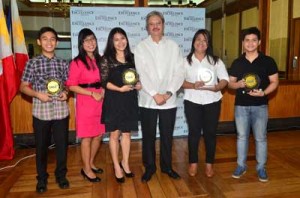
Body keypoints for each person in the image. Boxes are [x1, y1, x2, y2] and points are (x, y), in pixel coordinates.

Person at [134, 10, 185, 182]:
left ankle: (167, 167)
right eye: (152, 24)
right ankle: (149, 167)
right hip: (148, 99)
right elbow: (141, 73)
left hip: (169, 100)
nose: (155, 26)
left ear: (163, 25)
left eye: (158, 23)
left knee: (167, 135)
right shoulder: (141, 47)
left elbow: (180, 72)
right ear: (147, 27)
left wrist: (169, 92)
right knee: (148, 136)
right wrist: (155, 94)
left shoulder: (173, 46)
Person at [20, 27, 70, 193]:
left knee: (62, 146)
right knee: (41, 147)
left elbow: (68, 84)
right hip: (41, 112)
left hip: (61, 111)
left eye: (52, 39)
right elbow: (23, 87)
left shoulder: (63, 63)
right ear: (39, 42)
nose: (49, 42)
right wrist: (37, 94)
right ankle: (41, 179)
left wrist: (66, 93)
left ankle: (61, 176)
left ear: (56, 42)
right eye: (45, 39)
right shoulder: (32, 63)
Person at [228, 27, 279, 182]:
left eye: (254, 40)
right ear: (243, 43)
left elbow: (274, 82)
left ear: (259, 42)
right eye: (247, 40)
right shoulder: (237, 62)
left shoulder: (268, 61)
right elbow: (230, 84)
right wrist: (239, 85)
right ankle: (241, 166)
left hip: (260, 106)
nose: (250, 43)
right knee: (242, 137)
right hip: (241, 106)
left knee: (260, 138)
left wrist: (263, 93)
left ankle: (261, 167)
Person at [182, 29, 229, 177]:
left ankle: (209, 164)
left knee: (210, 134)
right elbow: (178, 82)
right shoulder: (185, 61)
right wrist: (192, 85)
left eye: (204, 40)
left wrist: (218, 87)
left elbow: (224, 80)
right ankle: (193, 163)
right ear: (193, 42)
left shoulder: (216, 61)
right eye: (198, 39)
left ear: (208, 44)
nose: (201, 43)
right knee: (194, 133)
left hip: (212, 101)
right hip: (192, 101)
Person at [100, 27, 141, 183]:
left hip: (129, 100)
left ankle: (125, 162)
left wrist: (138, 84)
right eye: (116, 39)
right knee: (114, 134)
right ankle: (117, 166)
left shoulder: (133, 58)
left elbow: (135, 78)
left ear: (127, 40)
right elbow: (104, 82)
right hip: (114, 100)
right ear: (112, 42)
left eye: (122, 38)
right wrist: (119, 89)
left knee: (127, 133)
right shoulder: (106, 59)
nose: (120, 42)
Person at [66, 28, 105, 183]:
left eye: (93, 39)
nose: (91, 42)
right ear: (81, 44)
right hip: (86, 102)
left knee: (99, 135)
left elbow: (105, 79)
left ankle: (90, 162)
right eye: (87, 40)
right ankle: (86, 169)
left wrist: (102, 90)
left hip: (101, 101)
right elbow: (71, 86)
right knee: (87, 137)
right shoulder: (77, 62)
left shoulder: (101, 59)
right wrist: (91, 93)